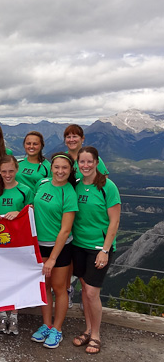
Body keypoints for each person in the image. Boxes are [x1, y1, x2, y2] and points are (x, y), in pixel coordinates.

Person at [71, 146, 120, 354]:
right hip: (78, 244)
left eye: (89, 161)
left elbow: (115, 220)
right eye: (82, 162)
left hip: (99, 247)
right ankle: (88, 329)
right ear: (77, 164)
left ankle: (96, 336)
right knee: (84, 290)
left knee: (91, 292)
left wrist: (105, 250)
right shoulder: (75, 186)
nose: (85, 165)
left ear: (97, 163)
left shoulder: (108, 187)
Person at [30, 153, 78, 349]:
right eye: (57, 167)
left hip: (60, 247)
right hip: (39, 244)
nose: (60, 171)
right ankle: (46, 325)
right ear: (51, 167)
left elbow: (65, 230)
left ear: (70, 170)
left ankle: (57, 329)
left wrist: (52, 259)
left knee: (59, 288)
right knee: (45, 287)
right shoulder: (42, 184)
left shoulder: (69, 193)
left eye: (64, 168)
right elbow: (33, 206)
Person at [63, 124, 109, 307]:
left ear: (83, 139)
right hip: (70, 216)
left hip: (89, 218)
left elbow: (104, 185)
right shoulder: (64, 159)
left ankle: (87, 295)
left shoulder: (93, 158)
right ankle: (69, 290)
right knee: (69, 260)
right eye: (68, 136)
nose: (72, 139)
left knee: (86, 265)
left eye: (76, 136)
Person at [0, 155, 33, 335]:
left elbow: (31, 211)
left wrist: (19, 211)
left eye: (11, 171)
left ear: (17, 170)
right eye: (4, 171)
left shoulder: (25, 190)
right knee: (0, 278)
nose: (7, 174)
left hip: (18, 242)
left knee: (15, 278)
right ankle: (1, 315)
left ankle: (14, 316)